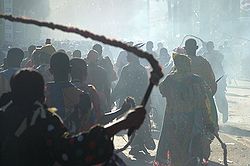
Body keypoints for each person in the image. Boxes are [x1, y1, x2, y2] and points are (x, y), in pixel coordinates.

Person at [0, 69, 146, 166]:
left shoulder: (4, 116)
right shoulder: (43, 121)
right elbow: (73, 148)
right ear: (43, 92)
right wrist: (123, 123)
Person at [154, 53, 216, 166]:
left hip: (172, 121)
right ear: (188, 65)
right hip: (191, 122)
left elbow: (162, 91)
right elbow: (203, 103)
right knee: (192, 152)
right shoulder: (196, 80)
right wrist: (208, 122)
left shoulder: (169, 80)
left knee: (174, 151)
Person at [112, 51, 155, 157]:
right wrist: (148, 101)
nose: (126, 57)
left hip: (129, 101)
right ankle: (138, 144)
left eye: (128, 56)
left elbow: (121, 85)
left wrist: (113, 96)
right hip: (140, 100)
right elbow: (146, 87)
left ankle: (136, 144)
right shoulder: (142, 70)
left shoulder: (126, 69)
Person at [46, 52, 92, 132]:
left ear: (50, 71)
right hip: (74, 141)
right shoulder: (83, 97)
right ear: (70, 70)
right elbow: (88, 125)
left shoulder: (44, 94)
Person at [203, 41, 228, 123]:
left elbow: (221, 58)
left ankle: (224, 112)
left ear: (213, 46)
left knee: (220, 96)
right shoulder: (205, 55)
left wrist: (213, 55)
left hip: (219, 78)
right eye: (208, 46)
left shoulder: (217, 54)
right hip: (209, 79)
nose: (209, 48)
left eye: (210, 46)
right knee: (208, 99)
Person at [86, 49, 110, 114]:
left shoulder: (84, 70)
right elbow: (107, 88)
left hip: (87, 99)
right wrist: (108, 103)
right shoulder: (102, 71)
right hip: (100, 98)